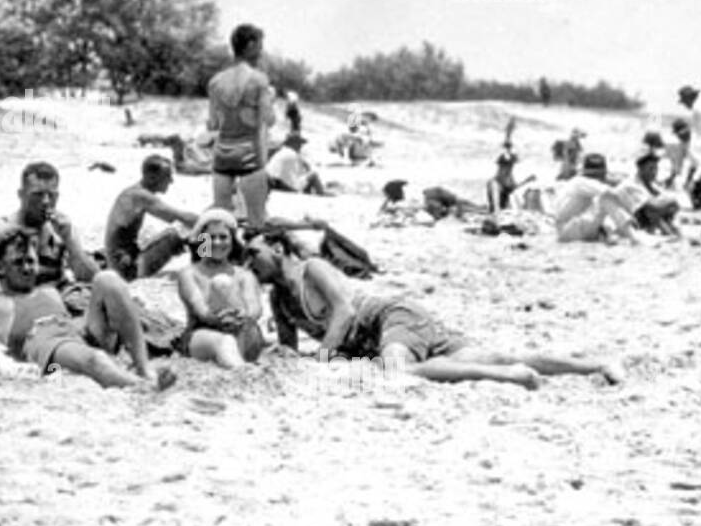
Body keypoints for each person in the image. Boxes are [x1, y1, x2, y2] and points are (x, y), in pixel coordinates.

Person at [245, 230, 622, 389]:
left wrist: (325, 356)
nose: (250, 262)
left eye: (254, 252)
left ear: (278, 249)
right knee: (494, 353)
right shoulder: (279, 299)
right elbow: (291, 352)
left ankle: (509, 377)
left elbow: (344, 311)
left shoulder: (312, 268)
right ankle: (595, 365)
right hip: (385, 330)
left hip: (389, 316)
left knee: (401, 371)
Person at [0, 161, 169, 386]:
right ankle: (141, 383)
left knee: (109, 280)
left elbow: (90, 277)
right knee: (93, 356)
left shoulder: (59, 226)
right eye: (37, 195)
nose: (45, 202)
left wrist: (71, 243)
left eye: (51, 196)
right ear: (20, 195)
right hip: (32, 320)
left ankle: (143, 367)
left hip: (67, 309)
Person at [0, 227, 176, 390]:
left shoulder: (49, 291)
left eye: (31, 261)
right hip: (44, 347)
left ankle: (144, 368)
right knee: (95, 359)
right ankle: (146, 388)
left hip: (73, 334)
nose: (27, 268)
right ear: (0, 268)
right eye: (18, 262)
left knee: (107, 279)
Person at [174, 209, 265, 368]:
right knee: (225, 341)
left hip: (242, 331)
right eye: (210, 238)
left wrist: (243, 315)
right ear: (202, 240)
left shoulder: (244, 275)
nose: (217, 242)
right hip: (202, 334)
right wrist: (217, 318)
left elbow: (254, 307)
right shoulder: (189, 274)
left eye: (223, 237)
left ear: (232, 241)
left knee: (248, 333)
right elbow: (200, 308)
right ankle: (241, 370)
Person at [207, 24, 273, 228]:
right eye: (260, 45)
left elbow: (213, 123)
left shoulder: (216, 81)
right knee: (257, 222)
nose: (262, 51)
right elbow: (267, 122)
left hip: (222, 156)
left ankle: (207, 257)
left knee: (219, 221)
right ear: (251, 45)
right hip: (249, 157)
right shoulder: (258, 80)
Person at [102, 155, 196, 280]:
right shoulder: (140, 196)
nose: (171, 181)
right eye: (167, 176)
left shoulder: (132, 192)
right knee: (190, 232)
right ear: (152, 178)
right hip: (127, 269)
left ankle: (202, 262)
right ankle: (205, 264)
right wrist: (210, 220)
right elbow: (180, 217)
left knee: (177, 232)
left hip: (118, 263)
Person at [552, 153, 643, 244]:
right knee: (606, 199)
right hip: (568, 229)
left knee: (601, 208)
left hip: (566, 229)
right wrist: (632, 209)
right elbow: (612, 193)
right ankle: (634, 237)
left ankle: (615, 235)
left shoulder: (578, 181)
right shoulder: (583, 182)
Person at [618, 150, 680, 237]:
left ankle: (670, 232)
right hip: (627, 225)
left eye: (656, 168)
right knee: (653, 210)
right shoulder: (630, 184)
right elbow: (651, 206)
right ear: (641, 169)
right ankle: (668, 232)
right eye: (650, 169)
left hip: (643, 220)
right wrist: (671, 202)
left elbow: (669, 202)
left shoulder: (651, 184)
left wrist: (671, 203)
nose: (654, 172)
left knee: (665, 206)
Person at [665, 118, 701, 209]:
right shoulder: (683, 143)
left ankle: (699, 205)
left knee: (694, 184)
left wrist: (694, 181)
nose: (678, 136)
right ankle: (698, 204)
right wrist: (672, 176)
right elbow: (679, 162)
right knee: (687, 184)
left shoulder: (695, 142)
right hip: (697, 168)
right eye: (677, 133)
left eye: (679, 132)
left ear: (687, 129)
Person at [486, 145, 521, 213]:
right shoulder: (494, 183)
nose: (509, 168)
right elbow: (496, 205)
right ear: (500, 166)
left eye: (510, 166)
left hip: (507, 212)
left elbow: (513, 190)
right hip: (498, 214)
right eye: (506, 166)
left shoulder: (509, 178)